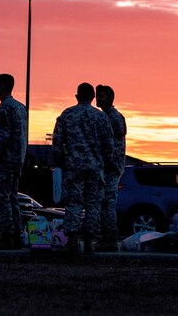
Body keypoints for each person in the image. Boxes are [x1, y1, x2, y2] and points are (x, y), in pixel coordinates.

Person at [51, 82, 116, 254]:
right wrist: (107, 163)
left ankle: (73, 241)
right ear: (93, 97)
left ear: (77, 96)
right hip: (95, 168)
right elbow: (109, 145)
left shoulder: (67, 115)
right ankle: (89, 242)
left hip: (74, 167)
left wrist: (58, 161)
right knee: (93, 204)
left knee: (74, 203)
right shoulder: (101, 117)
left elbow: (57, 143)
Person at [0, 73, 27, 250]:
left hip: (5, 161)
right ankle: (16, 234)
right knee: (12, 197)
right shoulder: (20, 107)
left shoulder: (4, 108)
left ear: (3, 85)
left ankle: (7, 236)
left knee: (1, 198)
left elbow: (2, 139)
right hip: (17, 160)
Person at [94, 84, 126, 252]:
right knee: (103, 203)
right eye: (98, 96)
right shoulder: (105, 116)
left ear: (111, 98)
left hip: (110, 168)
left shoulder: (113, 117)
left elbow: (115, 146)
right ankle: (106, 237)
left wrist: (111, 165)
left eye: (102, 96)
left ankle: (110, 238)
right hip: (106, 167)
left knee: (107, 203)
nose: (99, 99)